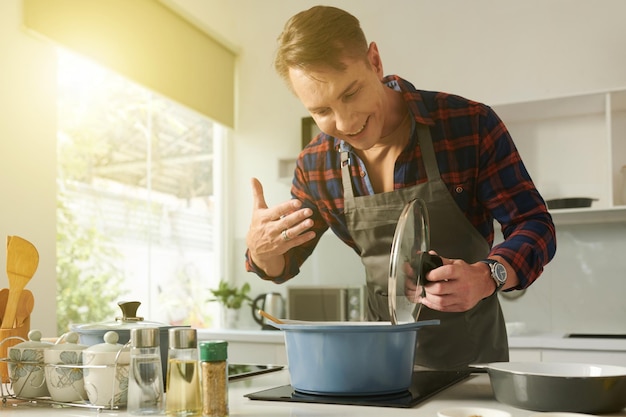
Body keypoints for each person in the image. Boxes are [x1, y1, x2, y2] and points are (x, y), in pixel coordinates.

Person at [245, 5, 556, 370]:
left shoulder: (468, 124)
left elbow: (535, 225)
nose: (345, 122)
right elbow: (283, 263)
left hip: (474, 366)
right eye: (322, 111)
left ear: (374, 62)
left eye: (350, 93)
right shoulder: (317, 164)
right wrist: (260, 249)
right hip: (380, 367)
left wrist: (489, 275)